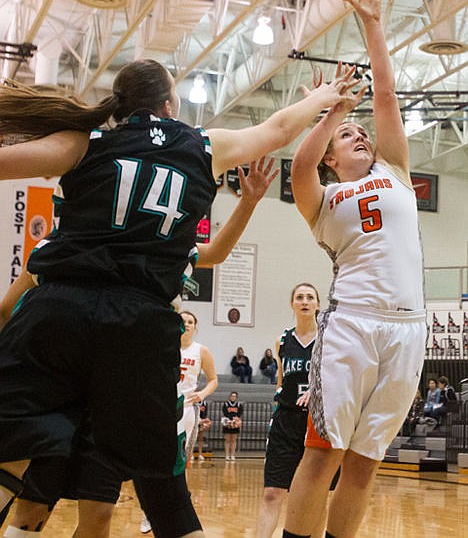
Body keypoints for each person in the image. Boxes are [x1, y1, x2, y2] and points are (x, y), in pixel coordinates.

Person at [0, 59, 354, 537]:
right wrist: (322, 97)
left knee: (12, 460)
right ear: (171, 104)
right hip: (139, 323)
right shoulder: (202, 144)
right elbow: (277, 129)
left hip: (58, 311)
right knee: (164, 491)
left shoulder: (85, 142)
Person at [1, 158, 278, 538]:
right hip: (63, 395)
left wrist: (247, 205)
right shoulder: (60, 247)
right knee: (36, 504)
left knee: (95, 511)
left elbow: (211, 254)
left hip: (117, 397)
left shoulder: (156, 249)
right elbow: (5, 309)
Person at [283, 0, 427, 538]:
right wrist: (328, 113)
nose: (359, 134)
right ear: (331, 155)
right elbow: (298, 167)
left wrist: (372, 23)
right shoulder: (321, 198)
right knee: (323, 456)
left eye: (359, 129)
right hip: (351, 327)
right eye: (347, 134)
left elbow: (386, 97)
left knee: (365, 464)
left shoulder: (393, 170)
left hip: (408, 329)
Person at [140, 309, 217, 534]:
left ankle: (174, 508)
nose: (186, 324)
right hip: (160, 408)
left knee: (179, 462)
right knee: (154, 459)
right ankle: (149, 513)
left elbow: (213, 380)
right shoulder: (162, 345)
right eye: (183, 321)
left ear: (195, 326)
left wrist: (201, 395)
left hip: (186, 409)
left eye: (190, 321)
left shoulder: (201, 350)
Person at [255, 283, 321, 538]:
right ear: (292, 304)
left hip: (317, 423)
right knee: (272, 492)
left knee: (315, 498)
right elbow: (281, 382)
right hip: (286, 421)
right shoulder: (282, 340)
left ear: (317, 304)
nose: (304, 301)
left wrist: (317, 391)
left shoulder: (329, 339)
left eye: (310, 297)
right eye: (299, 297)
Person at [222, 391, 243, 461]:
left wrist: (235, 420)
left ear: (236, 397)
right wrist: (229, 420)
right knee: (227, 439)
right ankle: (227, 455)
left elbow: (239, 414)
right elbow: (225, 413)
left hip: (235, 423)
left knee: (234, 440)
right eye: (232, 396)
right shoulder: (226, 404)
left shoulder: (239, 405)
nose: (233, 397)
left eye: (234, 396)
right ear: (230, 396)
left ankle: (232, 455)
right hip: (227, 422)